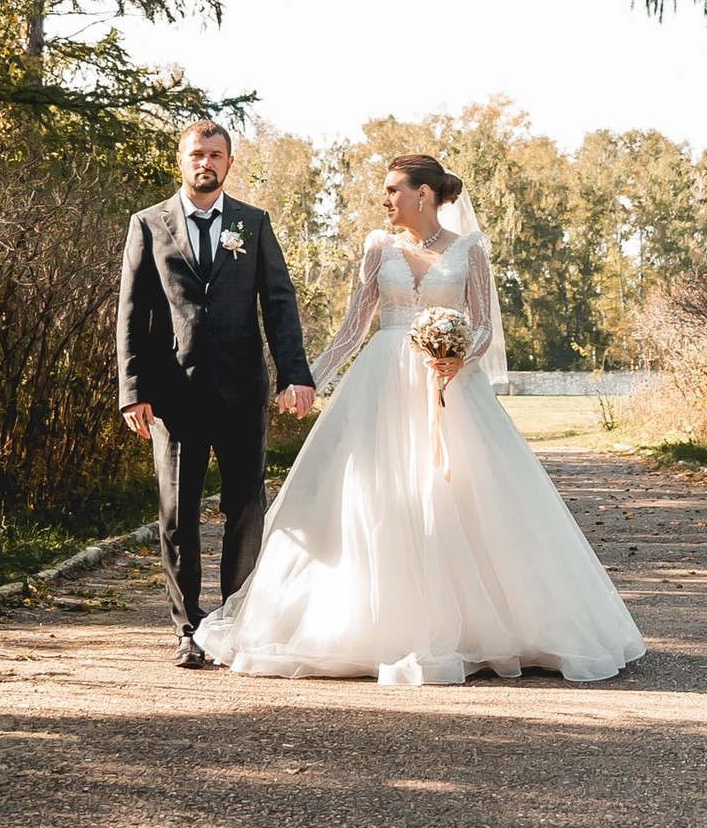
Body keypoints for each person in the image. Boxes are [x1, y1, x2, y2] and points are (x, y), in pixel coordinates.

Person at [196, 151, 644, 689]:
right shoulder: (377, 246)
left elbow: (482, 326)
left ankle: (480, 629)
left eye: (393, 189)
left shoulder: (470, 250)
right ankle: (371, 626)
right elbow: (352, 327)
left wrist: (458, 357)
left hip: (448, 388)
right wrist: (307, 379)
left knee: (455, 497)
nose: (385, 199)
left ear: (424, 194)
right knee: (373, 498)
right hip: (380, 387)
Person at [118, 119, 316, 667]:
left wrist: (295, 374)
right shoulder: (148, 224)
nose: (205, 162)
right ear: (180, 160)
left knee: (246, 506)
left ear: (229, 163)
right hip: (174, 395)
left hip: (241, 391)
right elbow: (132, 313)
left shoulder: (253, 224)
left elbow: (278, 302)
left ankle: (237, 620)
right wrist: (132, 390)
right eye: (196, 153)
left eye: (216, 154)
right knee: (177, 514)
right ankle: (189, 628)